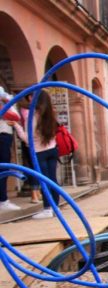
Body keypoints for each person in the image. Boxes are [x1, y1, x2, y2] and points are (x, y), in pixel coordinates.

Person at [9, 90, 60, 219]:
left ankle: (48, 208)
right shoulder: (51, 113)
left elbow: (28, 138)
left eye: (31, 97)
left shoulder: (32, 116)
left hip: (39, 152)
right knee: (52, 179)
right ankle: (55, 207)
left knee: (44, 180)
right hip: (52, 149)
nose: (29, 99)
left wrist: (16, 126)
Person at [0, 87, 22, 211]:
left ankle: (3, 200)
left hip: (4, 136)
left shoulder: (7, 103)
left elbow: (16, 117)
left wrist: (4, 106)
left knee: (3, 167)